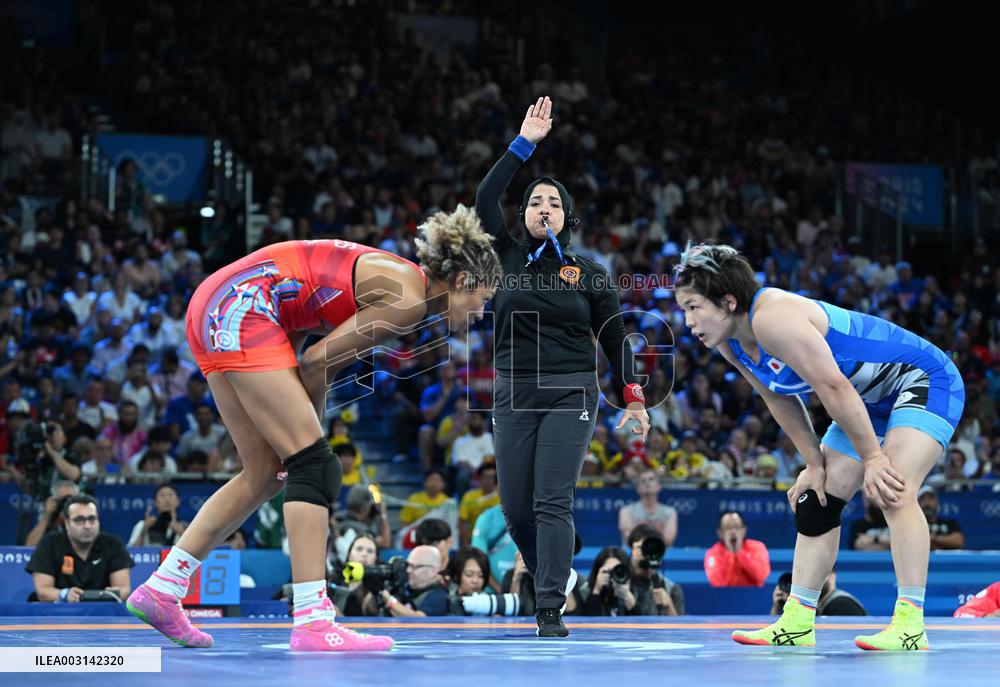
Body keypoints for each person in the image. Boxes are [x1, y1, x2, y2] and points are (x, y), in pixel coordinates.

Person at [127, 211, 501, 652]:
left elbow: (308, 338)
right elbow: (317, 362)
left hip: (218, 303)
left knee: (264, 473)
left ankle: (163, 587)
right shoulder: (409, 302)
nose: (481, 312)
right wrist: (309, 441)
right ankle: (312, 620)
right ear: (461, 280)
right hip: (241, 306)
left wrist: (305, 432)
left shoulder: (400, 283)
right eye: (482, 298)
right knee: (316, 466)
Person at [673, 243, 965, 650]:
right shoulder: (729, 340)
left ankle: (910, 625)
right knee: (817, 499)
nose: (687, 322)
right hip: (866, 398)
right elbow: (779, 397)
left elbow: (832, 386)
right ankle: (796, 622)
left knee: (892, 490)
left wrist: (875, 459)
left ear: (727, 301)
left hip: (921, 379)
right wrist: (813, 463)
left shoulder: (772, 317)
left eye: (692, 307)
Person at [475, 95, 648, 638]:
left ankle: (548, 606)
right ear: (522, 217)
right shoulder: (502, 254)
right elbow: (484, 196)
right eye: (533, 202)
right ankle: (559, 563)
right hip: (512, 389)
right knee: (514, 511)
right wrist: (524, 143)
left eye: (552, 202)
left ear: (566, 216)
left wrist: (634, 398)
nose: (542, 208)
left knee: (553, 499)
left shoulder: (590, 272)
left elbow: (615, 337)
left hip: (572, 390)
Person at [26, 494, 133, 603]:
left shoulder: (113, 544)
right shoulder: (49, 543)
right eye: (79, 520)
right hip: (59, 614)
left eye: (92, 519)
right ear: (66, 523)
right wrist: (65, 594)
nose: (87, 526)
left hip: (102, 613)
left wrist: (114, 593)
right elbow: (43, 591)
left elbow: (124, 588)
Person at [376, 545, 449, 617]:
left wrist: (389, 601)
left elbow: (419, 619)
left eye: (414, 566)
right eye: (408, 565)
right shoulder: (404, 586)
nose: (408, 570)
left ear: (433, 571)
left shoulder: (438, 595)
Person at [704, 512, 771, 587]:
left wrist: (739, 551)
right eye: (727, 527)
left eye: (736, 527)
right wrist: (730, 552)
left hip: (753, 596)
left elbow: (761, 576)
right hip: (723, 596)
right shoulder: (712, 553)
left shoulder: (758, 547)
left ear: (744, 530)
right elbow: (718, 583)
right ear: (720, 533)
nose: (733, 531)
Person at [617, 469, 678, 548]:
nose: (647, 482)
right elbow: (629, 538)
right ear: (637, 488)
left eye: (651, 479)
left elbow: (668, 540)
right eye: (643, 480)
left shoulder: (670, 512)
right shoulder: (626, 511)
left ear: (659, 486)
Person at [918, 485, 965, 550]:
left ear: (937, 502)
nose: (927, 503)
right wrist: (943, 543)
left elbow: (958, 541)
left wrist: (931, 539)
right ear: (918, 504)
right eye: (923, 499)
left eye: (930, 499)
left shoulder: (950, 523)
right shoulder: (913, 526)